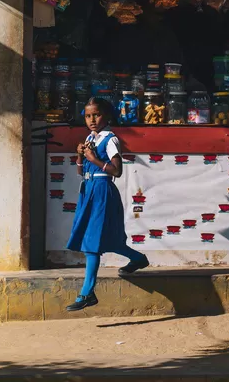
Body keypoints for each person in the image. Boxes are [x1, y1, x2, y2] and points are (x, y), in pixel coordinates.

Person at [65, 97, 149, 311]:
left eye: (96, 115)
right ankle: (138, 258)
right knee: (107, 241)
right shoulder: (90, 138)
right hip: (89, 190)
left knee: (92, 243)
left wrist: (93, 159)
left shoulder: (110, 139)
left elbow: (117, 171)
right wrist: (80, 156)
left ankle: (87, 293)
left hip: (102, 191)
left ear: (107, 116)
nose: (92, 119)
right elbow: (81, 172)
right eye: (88, 116)